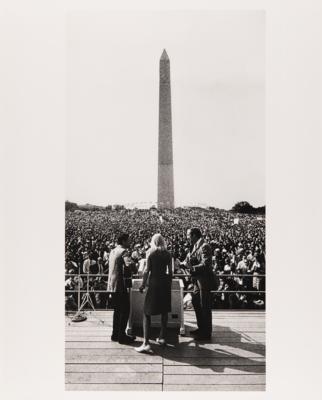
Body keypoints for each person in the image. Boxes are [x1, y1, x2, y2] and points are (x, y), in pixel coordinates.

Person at [135, 233, 172, 353]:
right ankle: (162, 337)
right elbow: (170, 272)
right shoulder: (168, 254)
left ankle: (146, 343)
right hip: (165, 284)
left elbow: (146, 271)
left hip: (154, 283)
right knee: (164, 311)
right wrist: (168, 284)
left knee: (147, 312)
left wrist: (142, 284)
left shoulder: (150, 253)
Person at [185, 227, 215, 340]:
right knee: (196, 302)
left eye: (188, 235)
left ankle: (206, 332)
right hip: (197, 281)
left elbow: (206, 264)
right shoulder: (195, 246)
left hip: (204, 281)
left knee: (205, 306)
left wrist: (192, 267)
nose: (187, 237)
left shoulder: (204, 246)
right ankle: (201, 328)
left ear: (194, 235)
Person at [107, 233, 136, 344]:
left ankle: (115, 334)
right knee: (125, 310)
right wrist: (134, 265)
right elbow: (129, 265)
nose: (130, 242)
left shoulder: (113, 251)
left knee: (117, 310)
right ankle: (122, 336)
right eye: (129, 240)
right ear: (123, 241)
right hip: (120, 285)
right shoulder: (124, 251)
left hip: (112, 284)